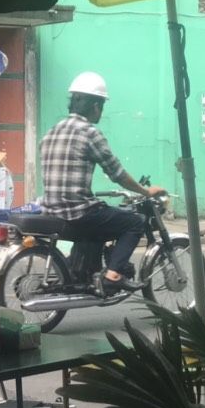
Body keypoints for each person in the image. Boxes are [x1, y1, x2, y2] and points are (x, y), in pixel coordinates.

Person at [40, 72, 167, 296]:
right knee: (134, 222)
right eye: (102, 106)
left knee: (100, 218)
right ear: (96, 105)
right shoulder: (90, 133)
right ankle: (112, 276)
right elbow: (117, 173)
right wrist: (145, 191)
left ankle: (85, 271)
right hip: (77, 211)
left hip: (51, 209)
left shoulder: (52, 131)